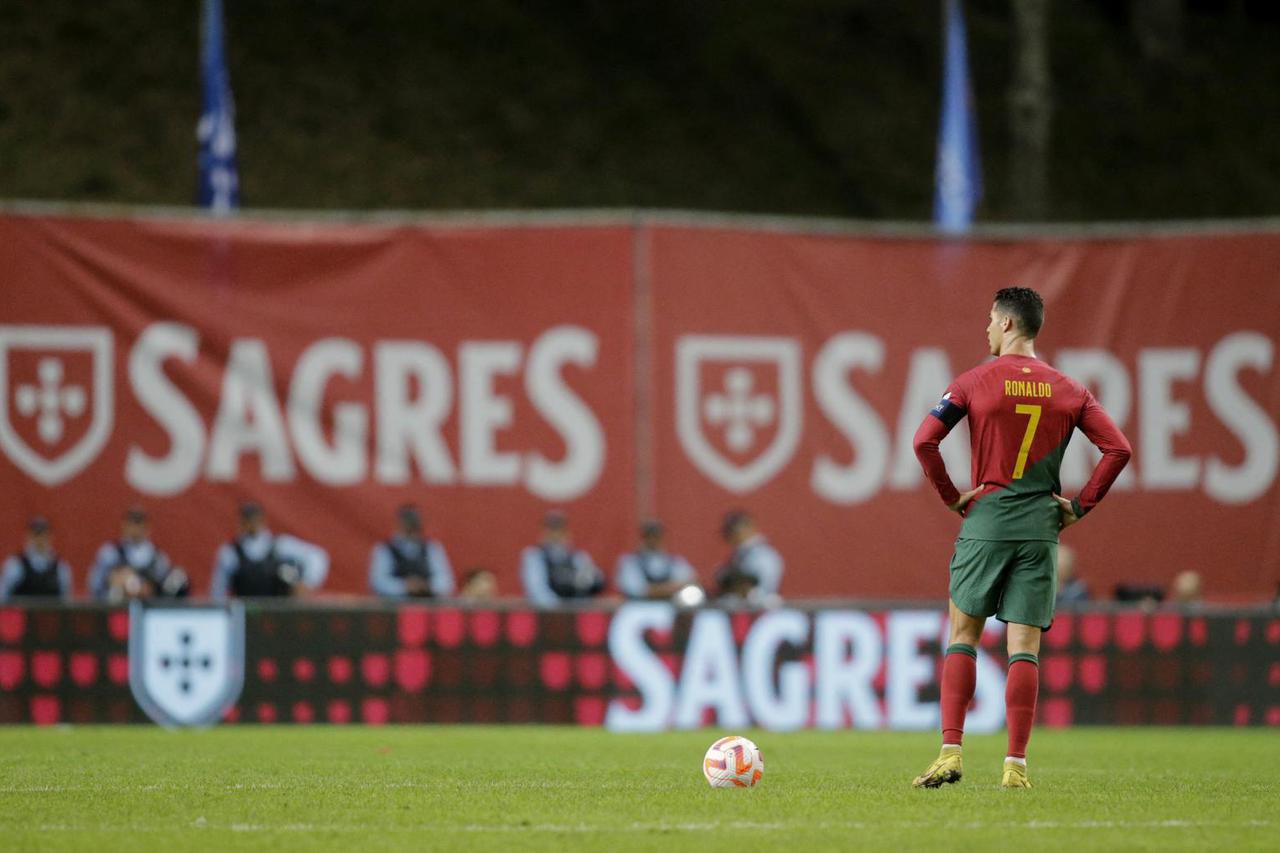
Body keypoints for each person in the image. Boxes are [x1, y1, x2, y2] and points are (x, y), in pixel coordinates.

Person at [911, 287, 1131, 790]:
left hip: (986, 522)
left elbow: (924, 440)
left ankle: (950, 752)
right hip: (1040, 530)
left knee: (963, 636)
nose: (986, 329)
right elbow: (1118, 449)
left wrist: (950, 496)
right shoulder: (1070, 390)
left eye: (991, 320)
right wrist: (1078, 507)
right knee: (1024, 648)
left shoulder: (973, 382)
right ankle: (1015, 766)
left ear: (1008, 324)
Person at [210, 502, 329, 599]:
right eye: (248, 520)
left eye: (255, 519)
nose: (252, 524)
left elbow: (317, 556)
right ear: (241, 522)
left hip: (277, 614)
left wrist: (308, 582)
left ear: (263, 520)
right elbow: (217, 591)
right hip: (245, 613)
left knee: (288, 573)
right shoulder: (229, 553)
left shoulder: (280, 546)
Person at [88, 506, 189, 601]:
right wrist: (113, 579)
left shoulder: (157, 556)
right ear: (124, 525)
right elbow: (95, 584)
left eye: (139, 524)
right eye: (132, 524)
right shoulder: (111, 553)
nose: (135, 529)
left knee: (178, 577)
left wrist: (150, 588)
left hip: (149, 606)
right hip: (119, 607)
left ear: (147, 527)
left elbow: (163, 582)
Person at [368, 504, 456, 598]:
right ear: (398, 524)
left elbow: (446, 582)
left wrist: (426, 586)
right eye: (407, 523)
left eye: (413, 524)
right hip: (394, 607)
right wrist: (405, 586)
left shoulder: (432, 548)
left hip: (426, 606)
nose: (410, 528)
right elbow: (378, 583)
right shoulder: (384, 549)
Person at [520, 510, 604, 606]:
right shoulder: (534, 556)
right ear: (543, 532)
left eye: (559, 530)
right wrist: (560, 608)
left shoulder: (578, 557)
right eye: (551, 530)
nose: (555, 535)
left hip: (575, 611)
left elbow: (591, 583)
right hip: (546, 614)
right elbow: (537, 590)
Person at [615, 519, 698, 600]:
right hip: (638, 608)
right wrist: (674, 588)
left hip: (670, 607)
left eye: (656, 536)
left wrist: (654, 589)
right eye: (649, 536)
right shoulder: (630, 562)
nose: (652, 540)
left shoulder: (675, 561)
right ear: (643, 538)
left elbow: (692, 583)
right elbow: (637, 590)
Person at [714, 510, 783, 603]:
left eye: (734, 528)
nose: (729, 533)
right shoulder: (741, 553)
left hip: (759, 608)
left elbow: (763, 588)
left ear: (749, 527)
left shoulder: (764, 555)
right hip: (738, 605)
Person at [0, 517, 73, 601]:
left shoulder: (61, 566)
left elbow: (66, 600)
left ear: (51, 537)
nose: (40, 540)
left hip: (49, 614)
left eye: (44, 535)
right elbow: (3, 598)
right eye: (36, 535)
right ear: (28, 536)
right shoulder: (15, 564)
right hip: (21, 614)